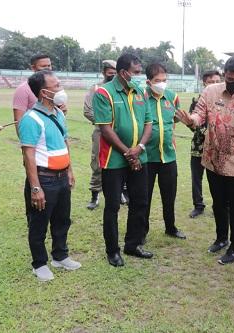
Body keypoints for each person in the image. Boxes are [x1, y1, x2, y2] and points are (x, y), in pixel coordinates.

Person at [176, 56, 234, 264]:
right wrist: (192, 120)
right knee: (218, 204)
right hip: (213, 160)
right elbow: (200, 114)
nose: (233, 82)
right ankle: (221, 238)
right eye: (230, 78)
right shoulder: (211, 91)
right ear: (224, 74)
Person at [18, 70, 81, 282]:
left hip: (62, 177)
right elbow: (29, 154)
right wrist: (35, 188)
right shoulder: (31, 118)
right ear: (44, 92)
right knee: (38, 223)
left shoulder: (59, 114)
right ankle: (39, 263)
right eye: (56, 86)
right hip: (44, 179)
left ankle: (60, 256)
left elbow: (65, 143)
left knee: (62, 219)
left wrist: (70, 170)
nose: (60, 89)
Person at [92, 53, 153, 267]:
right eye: (135, 72)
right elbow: (105, 129)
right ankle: (113, 250)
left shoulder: (140, 92)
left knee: (140, 201)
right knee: (112, 206)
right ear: (123, 72)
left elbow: (148, 122)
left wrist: (139, 148)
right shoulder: (104, 93)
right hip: (113, 160)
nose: (139, 76)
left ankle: (133, 244)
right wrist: (129, 153)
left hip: (139, 156)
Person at [143, 63, 186, 240]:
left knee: (169, 196)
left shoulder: (172, 97)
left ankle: (171, 227)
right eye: (157, 81)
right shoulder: (141, 97)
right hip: (147, 157)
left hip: (168, 156)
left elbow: (173, 121)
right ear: (149, 81)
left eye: (164, 80)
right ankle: (142, 231)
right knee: (144, 198)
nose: (161, 84)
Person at [83, 60, 117, 210]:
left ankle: (120, 192)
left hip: (119, 132)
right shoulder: (96, 89)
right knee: (97, 162)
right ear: (104, 73)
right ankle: (95, 195)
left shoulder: (120, 89)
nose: (113, 76)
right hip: (101, 132)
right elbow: (87, 111)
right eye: (110, 73)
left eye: (115, 73)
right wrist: (104, 122)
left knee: (119, 162)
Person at [188, 70, 221, 219]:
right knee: (196, 178)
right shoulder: (196, 102)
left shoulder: (224, 102)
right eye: (211, 82)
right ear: (204, 83)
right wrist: (192, 124)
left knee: (217, 180)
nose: (215, 85)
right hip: (198, 148)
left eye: (217, 82)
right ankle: (198, 206)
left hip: (217, 149)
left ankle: (218, 206)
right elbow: (192, 124)